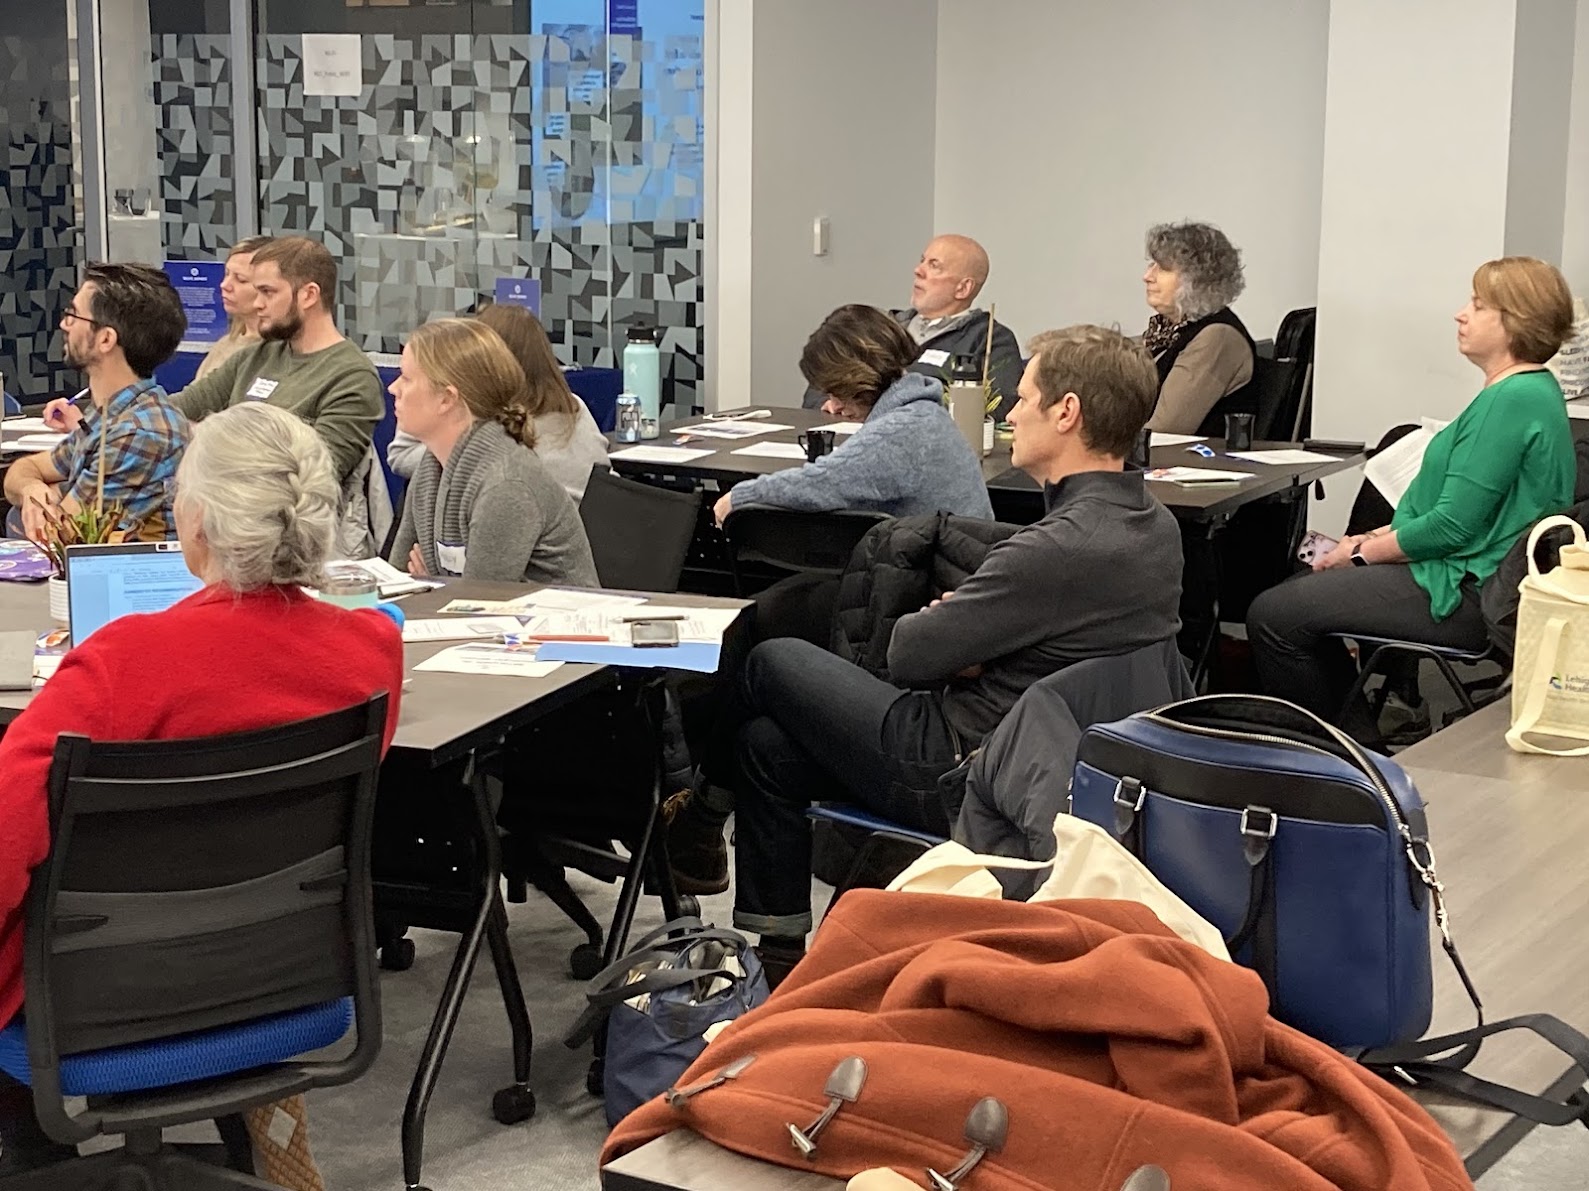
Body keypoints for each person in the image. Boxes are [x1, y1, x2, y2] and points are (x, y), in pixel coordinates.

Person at [674, 325, 1183, 981]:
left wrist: (953, 634)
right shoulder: (1153, 526)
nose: (1010, 412)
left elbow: (907, 653)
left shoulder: (1052, 550)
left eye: (1024, 397)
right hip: (1060, 760)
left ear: (1066, 412)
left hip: (961, 763)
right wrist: (975, 643)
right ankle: (781, 972)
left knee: (769, 657)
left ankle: (701, 815)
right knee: (765, 746)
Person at [0, 401, 404, 1173]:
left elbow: (6, 838)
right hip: (286, 987)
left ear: (197, 521)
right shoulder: (371, 652)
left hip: (93, 1009)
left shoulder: (124, 662)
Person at [1247, 257, 1577, 735]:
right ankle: (1358, 739)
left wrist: (1358, 553)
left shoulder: (1512, 399)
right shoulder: (1529, 390)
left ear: (1515, 322)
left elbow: (1452, 527)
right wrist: (1371, 537)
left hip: (1470, 590)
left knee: (1273, 615)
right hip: (1475, 573)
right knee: (1297, 593)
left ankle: (1352, 759)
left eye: (1478, 305)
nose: (1460, 314)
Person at [43, 237, 384, 486]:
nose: (257, 302)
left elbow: (318, 471)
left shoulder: (351, 375)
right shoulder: (256, 356)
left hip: (291, 533)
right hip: (219, 511)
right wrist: (91, 420)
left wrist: (208, 437)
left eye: (268, 292)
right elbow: (170, 410)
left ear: (308, 295)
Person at [715, 304, 994, 526]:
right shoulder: (922, 414)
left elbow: (821, 483)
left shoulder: (900, 430)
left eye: (837, 392)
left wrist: (740, 496)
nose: (833, 407)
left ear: (856, 379)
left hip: (937, 584)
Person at [387, 317, 598, 587]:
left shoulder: (507, 484)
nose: (394, 388)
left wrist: (434, 584)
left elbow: (476, 607)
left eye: (406, 378)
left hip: (557, 626)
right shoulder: (432, 468)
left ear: (446, 399)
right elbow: (398, 585)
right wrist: (434, 586)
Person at [3, 263, 189, 542]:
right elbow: (24, 470)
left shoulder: (139, 433)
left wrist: (51, 495)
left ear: (105, 339)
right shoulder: (109, 415)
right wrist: (33, 490)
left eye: (74, 315)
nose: (64, 324)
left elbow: (58, 534)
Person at [386, 305, 610, 501]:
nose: (393, 388)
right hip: (602, 531)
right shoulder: (573, 404)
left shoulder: (495, 425)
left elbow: (401, 456)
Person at [801, 235, 1025, 419]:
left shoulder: (990, 339)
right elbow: (819, 382)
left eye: (934, 265)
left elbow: (995, 409)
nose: (918, 270)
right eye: (922, 260)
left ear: (963, 288)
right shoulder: (883, 328)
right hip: (841, 435)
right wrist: (827, 402)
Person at [1140, 220, 1256, 435]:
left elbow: (1165, 430)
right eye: (1151, 265)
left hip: (1193, 464)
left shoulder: (1217, 337)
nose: (1147, 276)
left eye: (1163, 268)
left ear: (1197, 280)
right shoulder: (1165, 330)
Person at [194, 235, 274, 381]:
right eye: (226, 274)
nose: (225, 285)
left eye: (241, 279)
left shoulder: (278, 354)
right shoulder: (223, 345)